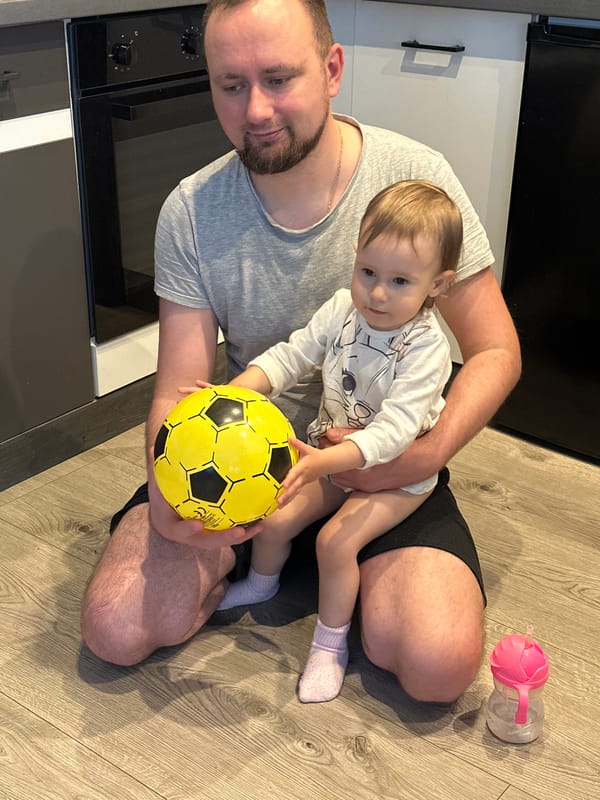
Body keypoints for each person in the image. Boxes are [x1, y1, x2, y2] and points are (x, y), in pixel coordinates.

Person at [81, 0, 521, 705]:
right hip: (236, 463)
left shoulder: (414, 179)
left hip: (379, 462)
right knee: (114, 627)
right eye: (231, 84)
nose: (256, 109)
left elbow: (496, 349)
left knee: (435, 663)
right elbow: (179, 386)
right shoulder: (191, 210)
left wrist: (428, 453)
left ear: (333, 68)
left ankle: (319, 579)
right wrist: (168, 494)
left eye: (279, 78)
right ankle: (263, 564)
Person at [181, 179, 462, 703]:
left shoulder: (427, 349)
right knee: (278, 514)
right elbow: (292, 356)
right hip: (332, 458)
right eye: (368, 272)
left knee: (335, 543)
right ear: (354, 256)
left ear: (439, 285)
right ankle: (261, 584)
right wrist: (231, 394)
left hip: (397, 477)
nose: (378, 292)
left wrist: (323, 460)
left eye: (400, 281)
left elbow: (396, 431)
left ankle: (328, 647)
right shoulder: (341, 309)